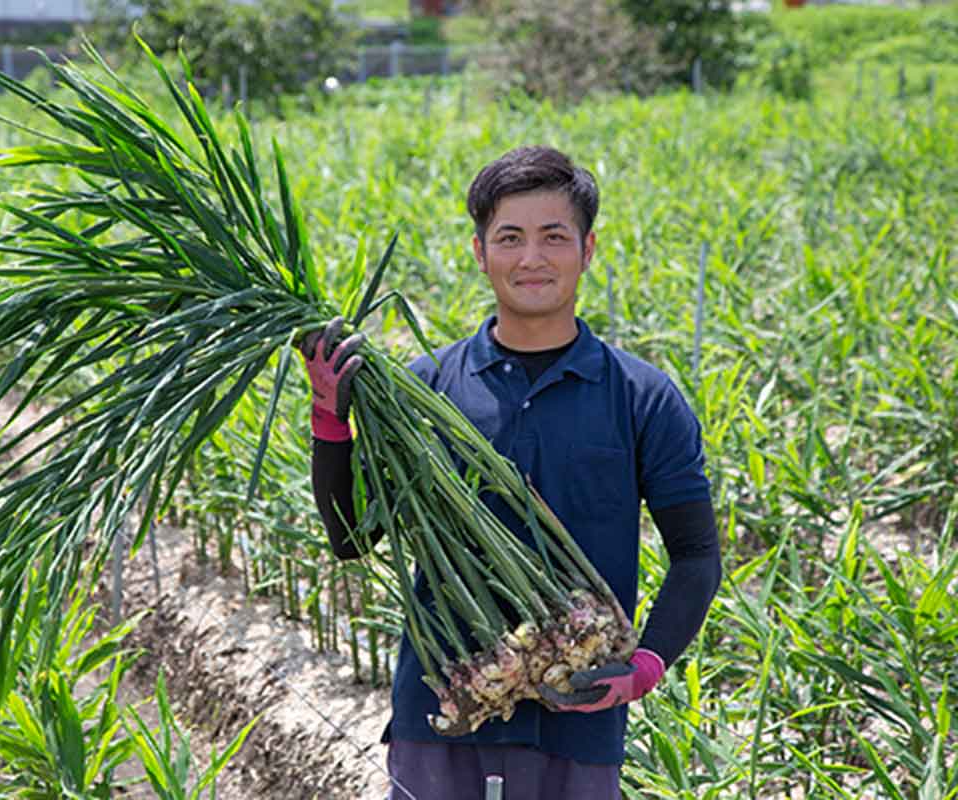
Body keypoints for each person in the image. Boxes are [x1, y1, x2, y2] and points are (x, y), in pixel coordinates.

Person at [300, 146, 721, 799]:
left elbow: (695, 556)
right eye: (510, 238)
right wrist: (331, 424)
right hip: (442, 716)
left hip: (577, 725)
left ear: (588, 250)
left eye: (554, 237)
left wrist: (643, 668)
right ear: (479, 252)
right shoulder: (426, 390)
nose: (531, 259)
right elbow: (352, 539)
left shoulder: (641, 396)